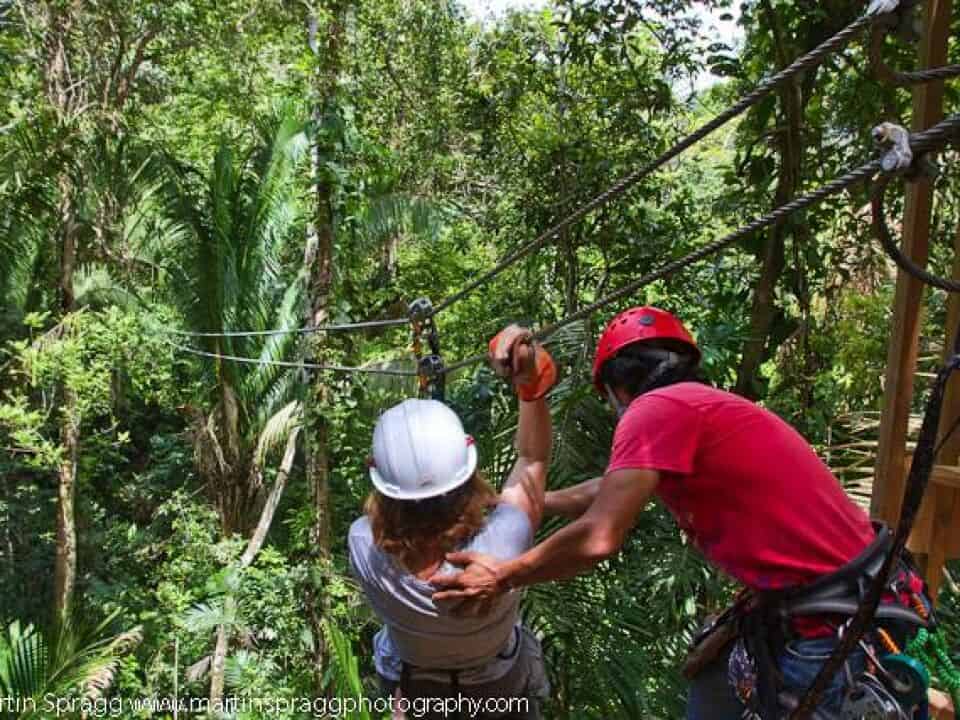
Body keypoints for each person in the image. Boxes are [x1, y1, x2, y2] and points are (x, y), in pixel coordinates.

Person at [432, 306, 931, 719]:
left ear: (614, 388)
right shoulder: (696, 408)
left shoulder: (654, 413)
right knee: (712, 694)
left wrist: (504, 575)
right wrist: (533, 504)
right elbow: (613, 487)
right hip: (842, 602)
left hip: (828, 624)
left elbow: (601, 536)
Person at [348, 325, 557, 719]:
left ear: (378, 479)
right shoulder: (504, 542)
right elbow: (533, 460)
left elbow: (382, 519)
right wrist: (529, 382)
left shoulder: (363, 544)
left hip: (417, 690)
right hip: (496, 691)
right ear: (468, 468)